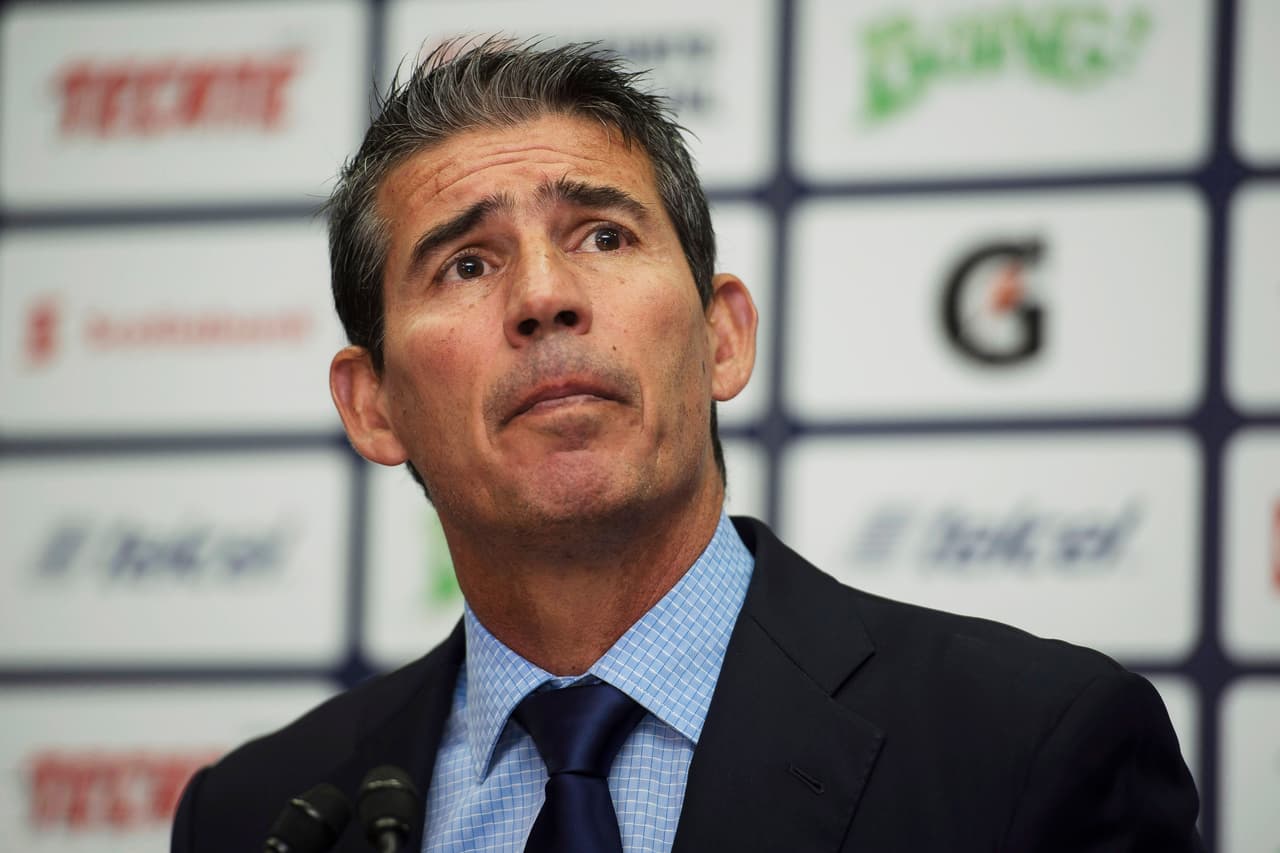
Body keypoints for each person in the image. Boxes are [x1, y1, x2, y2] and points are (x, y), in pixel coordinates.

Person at [171, 40, 1203, 852]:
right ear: (373, 405)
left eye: (602, 237)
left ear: (720, 337)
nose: (543, 297)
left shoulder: (1026, 744)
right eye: (466, 262)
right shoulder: (257, 814)